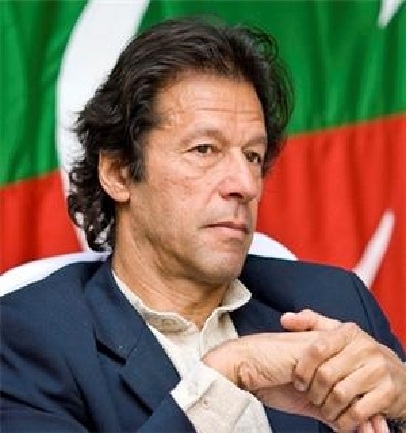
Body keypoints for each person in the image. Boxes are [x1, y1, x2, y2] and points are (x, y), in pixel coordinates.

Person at [1, 16, 405, 433]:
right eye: (204, 149)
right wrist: (227, 377)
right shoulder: (25, 339)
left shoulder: (336, 301)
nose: (246, 184)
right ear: (118, 172)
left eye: (253, 156)